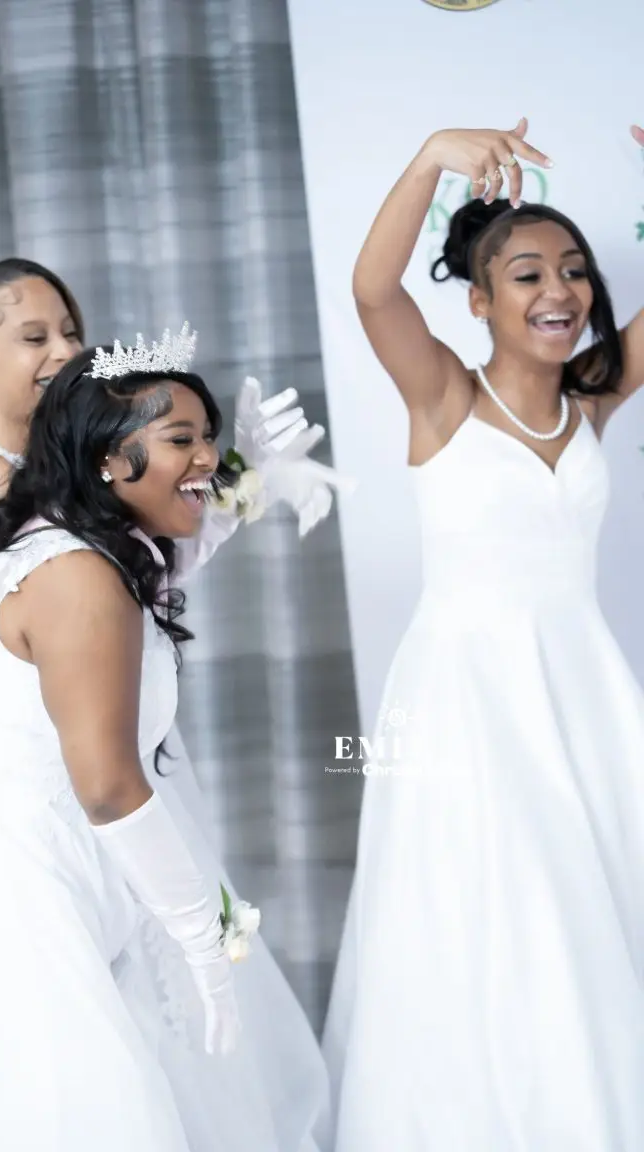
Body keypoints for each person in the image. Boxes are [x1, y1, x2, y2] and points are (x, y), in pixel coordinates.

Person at [0, 262, 345, 1150]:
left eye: (69, 329)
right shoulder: (37, 533)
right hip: (14, 849)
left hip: (72, 809)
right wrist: (201, 939)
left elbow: (132, 560)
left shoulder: (79, 540)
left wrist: (225, 485)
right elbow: (103, 767)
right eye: (34, 336)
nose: (63, 348)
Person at [322, 118, 644, 1151]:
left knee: (586, 904)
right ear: (479, 300)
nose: (562, 291)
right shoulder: (444, 398)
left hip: (581, 693)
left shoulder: (591, 403)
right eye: (528, 274)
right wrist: (428, 158)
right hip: (467, 700)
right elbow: (373, 291)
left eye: (576, 271)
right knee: (494, 907)